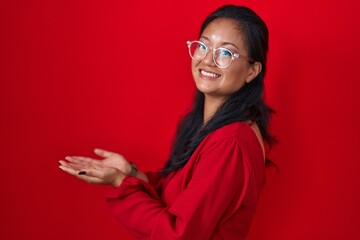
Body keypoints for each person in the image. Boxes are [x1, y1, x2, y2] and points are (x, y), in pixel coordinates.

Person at [59, 4, 274, 240]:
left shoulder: (230, 142)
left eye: (225, 53)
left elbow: (178, 233)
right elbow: (177, 197)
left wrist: (120, 182)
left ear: (252, 70)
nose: (208, 60)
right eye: (203, 46)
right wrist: (130, 172)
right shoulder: (211, 127)